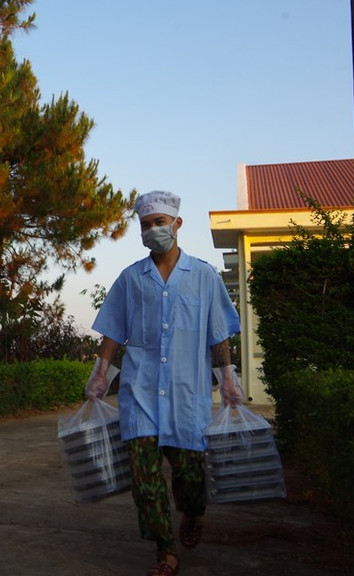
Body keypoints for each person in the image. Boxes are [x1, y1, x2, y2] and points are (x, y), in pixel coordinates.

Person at [85, 190, 241, 576]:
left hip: (188, 394)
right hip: (140, 392)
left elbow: (218, 334)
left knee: (190, 476)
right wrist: (101, 373)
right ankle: (165, 551)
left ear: (177, 224)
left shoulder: (203, 276)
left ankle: (193, 512)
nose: (153, 230)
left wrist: (228, 379)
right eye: (146, 225)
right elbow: (113, 330)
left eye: (159, 222)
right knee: (145, 480)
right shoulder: (131, 279)